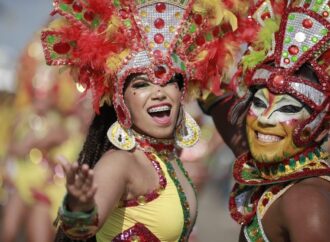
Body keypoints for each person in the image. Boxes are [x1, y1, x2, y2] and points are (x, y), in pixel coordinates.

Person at [40, 0, 246, 241]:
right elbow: (82, 230)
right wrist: (80, 207)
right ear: (120, 100)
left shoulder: (169, 160)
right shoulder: (121, 162)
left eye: (168, 81)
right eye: (141, 84)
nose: (158, 92)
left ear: (182, 92)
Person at [202, 0, 330, 241]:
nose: (265, 120)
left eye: (288, 109)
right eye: (259, 104)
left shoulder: (307, 201)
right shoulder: (277, 176)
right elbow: (225, 115)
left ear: (320, 129)